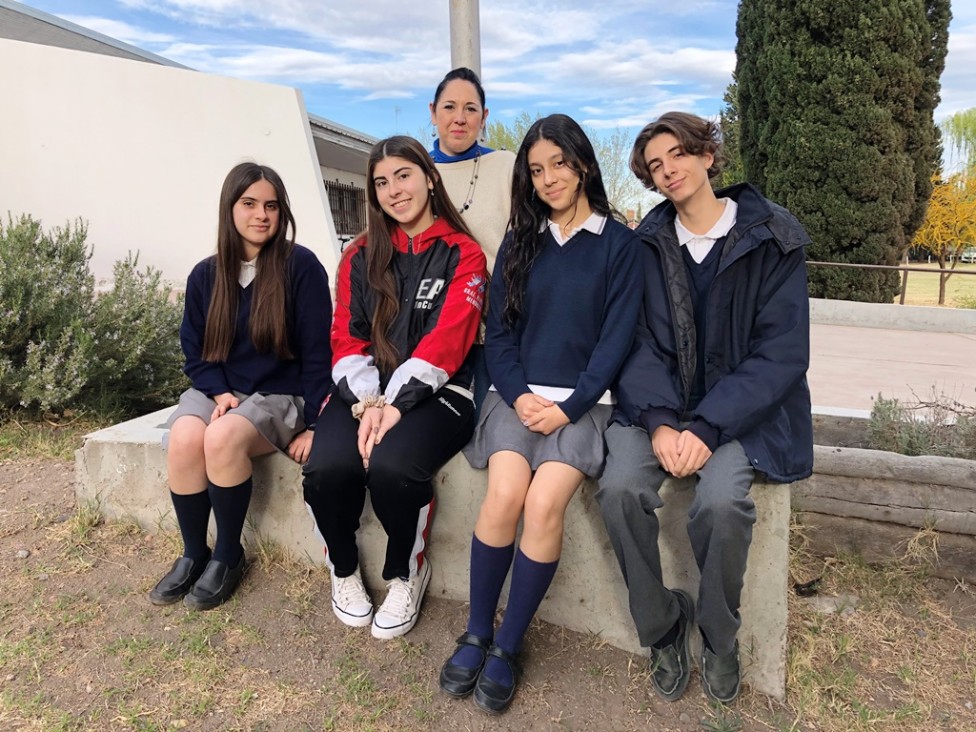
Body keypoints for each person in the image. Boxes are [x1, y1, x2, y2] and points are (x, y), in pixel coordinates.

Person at [596, 112, 814, 704]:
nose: (669, 171)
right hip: (658, 409)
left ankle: (719, 636)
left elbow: (783, 354)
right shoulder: (644, 246)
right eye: (655, 166)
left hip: (743, 415)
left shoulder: (773, 237)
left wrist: (710, 425)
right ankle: (664, 623)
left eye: (678, 155)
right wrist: (663, 421)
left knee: (720, 504)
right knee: (617, 490)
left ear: (707, 155)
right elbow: (633, 339)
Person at [438, 114, 642, 714]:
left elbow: (617, 339)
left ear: (582, 164)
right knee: (503, 495)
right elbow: (497, 334)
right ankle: (477, 631)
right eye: (536, 169)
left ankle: (507, 643)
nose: (548, 178)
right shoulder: (521, 243)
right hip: (516, 397)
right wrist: (521, 394)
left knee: (543, 502)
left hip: (585, 405)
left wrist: (571, 406)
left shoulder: (619, 246)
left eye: (558, 163)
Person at [302, 135, 487, 641]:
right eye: (381, 182)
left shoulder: (463, 253)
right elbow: (345, 337)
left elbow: (448, 343)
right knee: (326, 466)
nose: (393, 190)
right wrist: (367, 404)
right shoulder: (358, 256)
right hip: (365, 392)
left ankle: (407, 573)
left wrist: (396, 405)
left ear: (429, 177)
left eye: (403, 175)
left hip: (441, 391)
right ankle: (342, 570)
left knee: (392, 467)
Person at [151, 162, 333, 611]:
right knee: (185, 436)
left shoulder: (300, 266)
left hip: (279, 394)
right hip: (221, 388)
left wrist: (315, 423)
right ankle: (195, 552)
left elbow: (318, 353)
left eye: (271, 205)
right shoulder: (206, 275)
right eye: (249, 204)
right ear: (229, 208)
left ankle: (230, 555)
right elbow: (193, 350)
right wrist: (217, 391)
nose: (261, 215)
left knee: (222, 435)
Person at [429, 67, 516, 416]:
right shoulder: (415, 173)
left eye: (471, 108)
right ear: (433, 112)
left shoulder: (507, 166)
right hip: (432, 326)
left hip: (496, 323)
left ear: (485, 117)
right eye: (449, 107)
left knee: (490, 422)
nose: (460, 118)